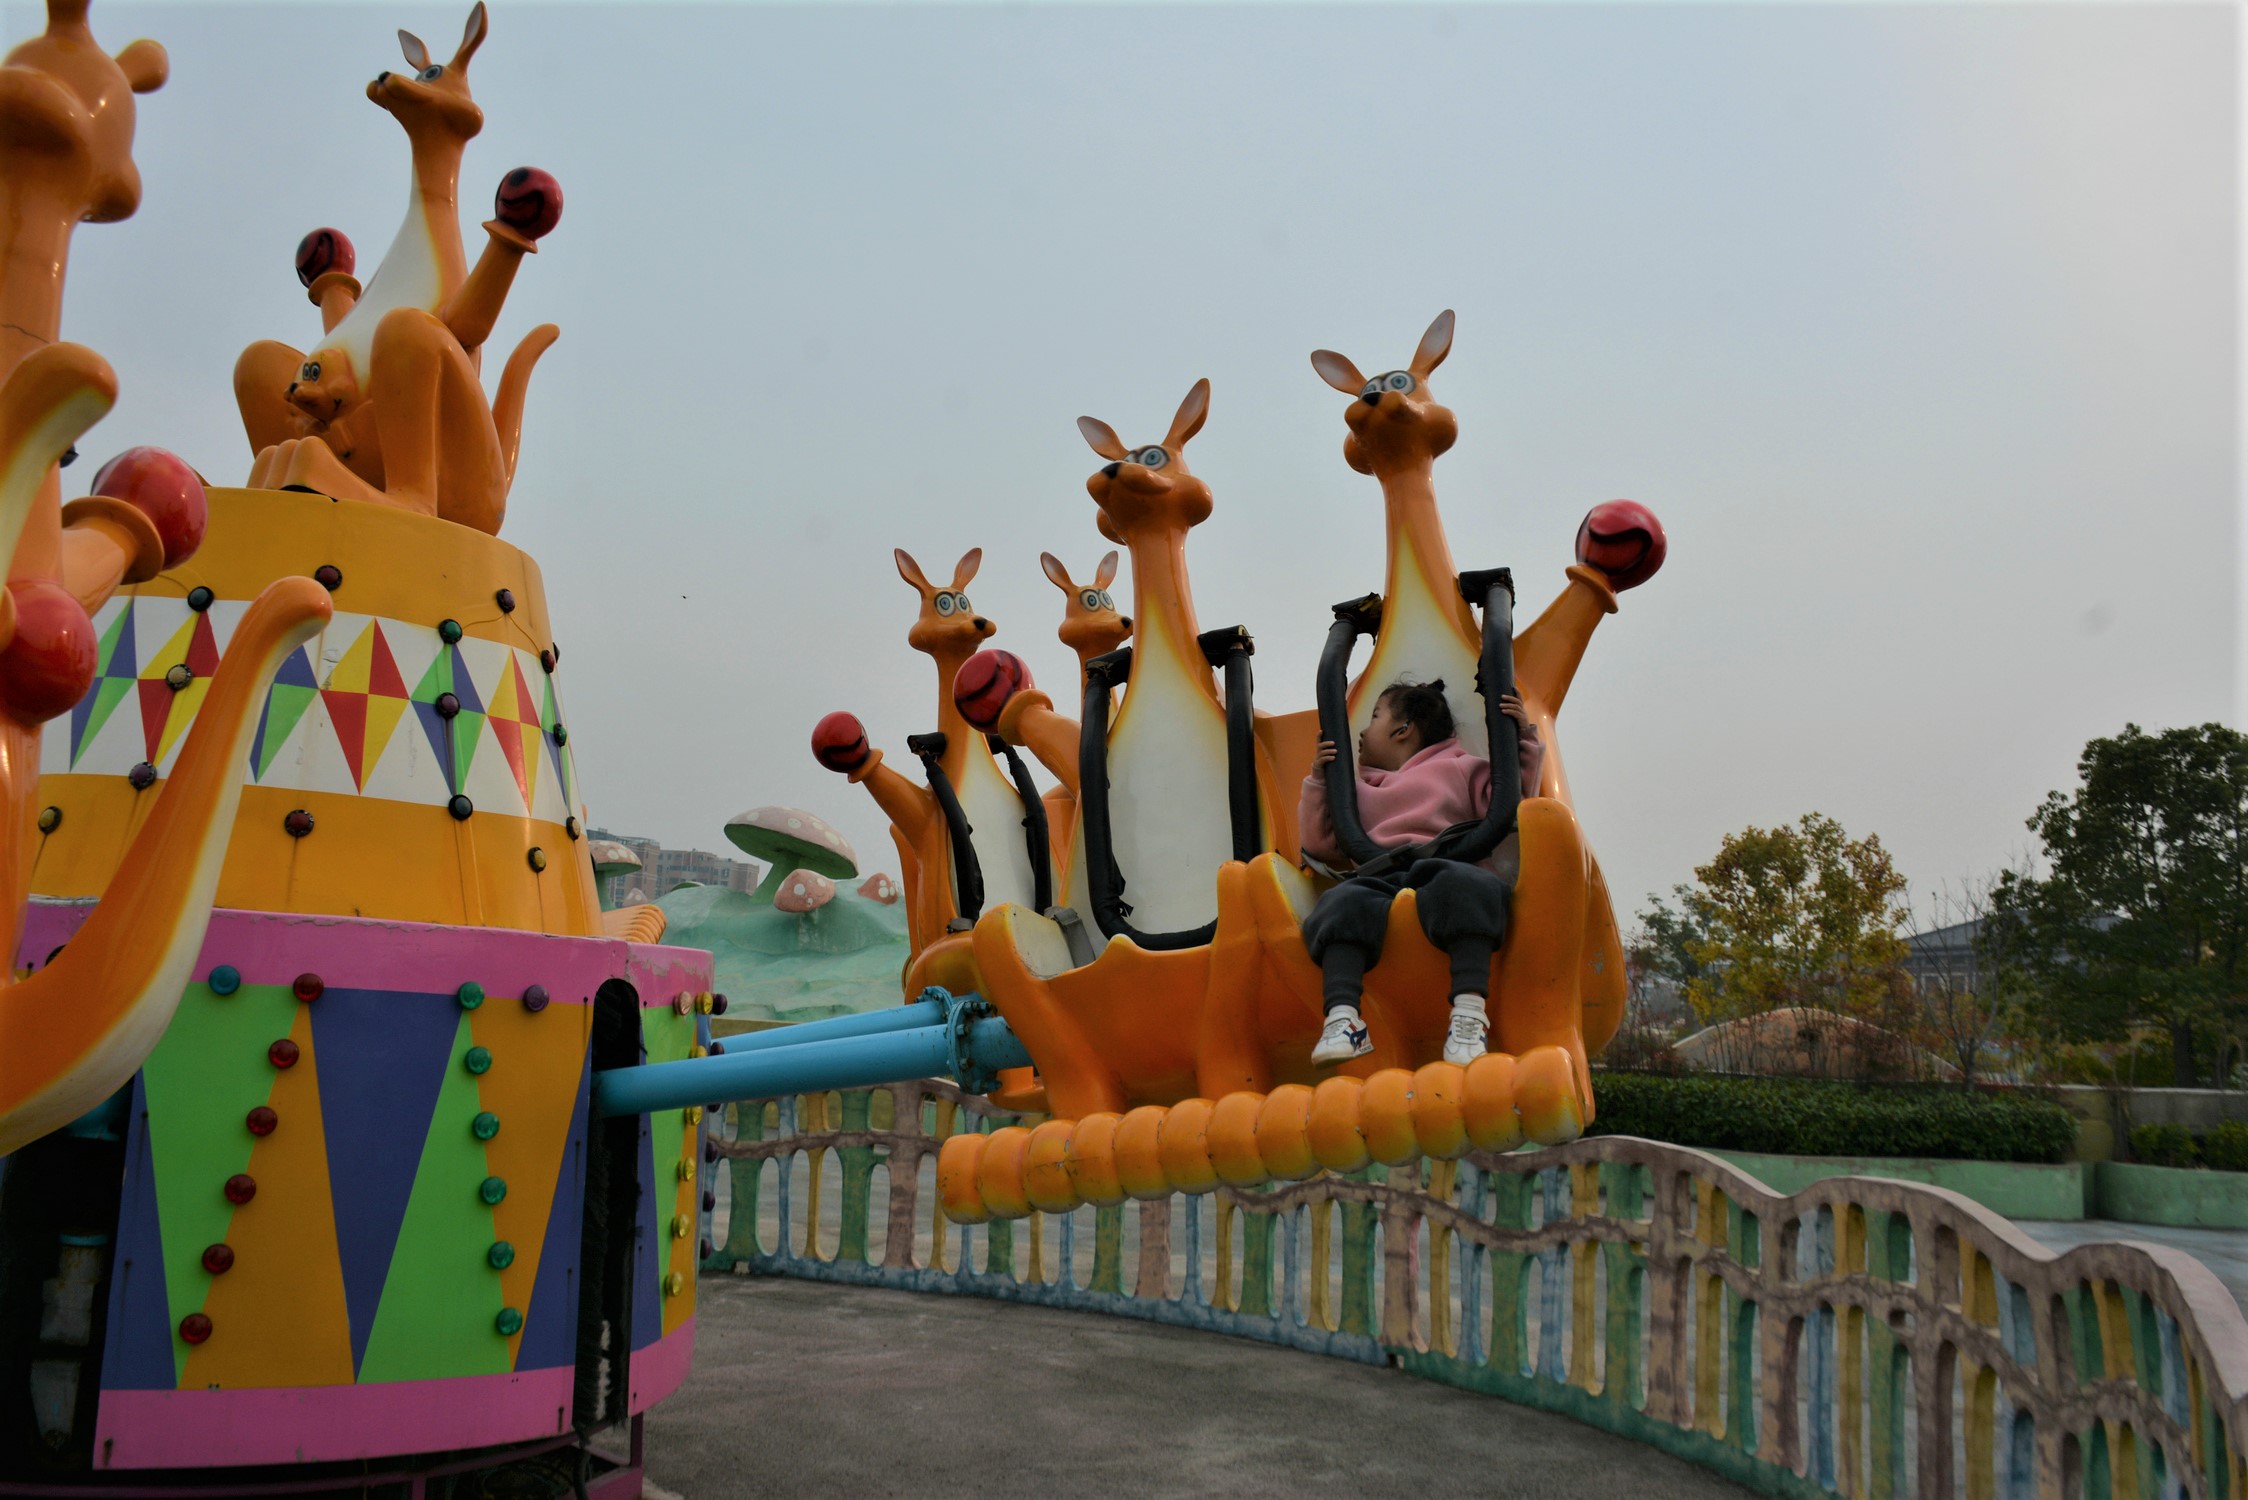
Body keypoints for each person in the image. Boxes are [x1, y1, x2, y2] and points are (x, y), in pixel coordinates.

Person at [1297, 679, 1544, 1068]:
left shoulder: (1460, 768)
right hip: (1380, 874)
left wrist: (1522, 738)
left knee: (1472, 887)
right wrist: (1319, 779)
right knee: (1339, 903)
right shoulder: (1359, 789)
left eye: (1375, 717)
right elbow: (1320, 844)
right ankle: (1343, 1019)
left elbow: (1511, 801)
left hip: (1447, 867)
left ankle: (1468, 1013)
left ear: (1403, 728)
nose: (1361, 731)